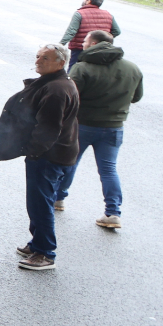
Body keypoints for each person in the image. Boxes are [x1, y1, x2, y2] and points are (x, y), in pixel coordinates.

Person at [0, 45, 79, 270]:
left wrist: (34, 151)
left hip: (49, 156)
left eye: (44, 58)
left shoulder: (56, 89)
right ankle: (37, 243)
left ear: (59, 63)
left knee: (41, 204)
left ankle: (45, 253)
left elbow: (48, 128)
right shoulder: (56, 83)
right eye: (38, 56)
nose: (38, 61)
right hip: (52, 153)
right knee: (38, 202)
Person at [57, 31, 143, 229]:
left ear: (93, 43)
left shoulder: (82, 67)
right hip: (114, 127)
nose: (83, 44)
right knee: (108, 169)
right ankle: (112, 212)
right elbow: (136, 97)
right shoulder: (132, 68)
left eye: (85, 41)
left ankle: (58, 199)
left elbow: (70, 96)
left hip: (83, 124)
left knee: (70, 161)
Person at [61, 0, 121, 69]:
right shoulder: (108, 15)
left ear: (88, 1)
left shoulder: (79, 14)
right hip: (101, 49)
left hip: (80, 48)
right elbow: (117, 31)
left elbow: (71, 32)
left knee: (74, 69)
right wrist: (105, 39)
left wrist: (60, 45)